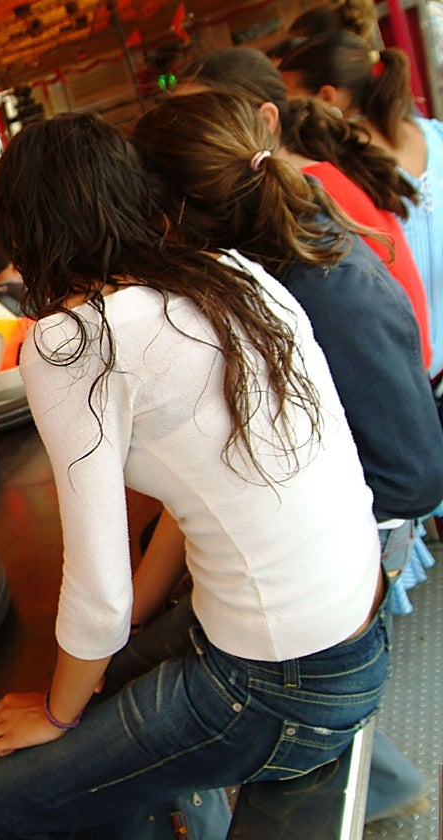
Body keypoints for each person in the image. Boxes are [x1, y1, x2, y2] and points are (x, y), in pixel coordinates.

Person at [0, 113, 388, 838]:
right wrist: (130, 628)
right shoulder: (231, 273)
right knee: (110, 669)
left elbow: (96, 588)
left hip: (282, 689)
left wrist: (56, 711)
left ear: (25, 232)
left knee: (9, 796)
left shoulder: (71, 341)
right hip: (360, 632)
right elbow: (196, 495)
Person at [135, 90, 442, 823]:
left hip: (375, 522)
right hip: (361, 515)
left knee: (154, 667)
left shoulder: (313, 289)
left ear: (174, 214)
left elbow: (414, 473)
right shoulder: (292, 250)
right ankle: (384, 784)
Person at [184, 47, 431, 372]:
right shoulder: (308, 176)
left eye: (204, 121)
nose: (191, 140)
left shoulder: (305, 195)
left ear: (266, 120)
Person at [279, 31, 443, 379]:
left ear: (326, 96)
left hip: (412, 372)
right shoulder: (434, 134)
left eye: (289, 94)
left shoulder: (338, 167)